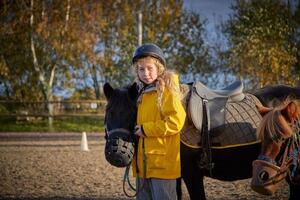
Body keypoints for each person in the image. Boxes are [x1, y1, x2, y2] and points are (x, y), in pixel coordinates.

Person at [131, 43, 186, 200]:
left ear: (159, 69)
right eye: (141, 69)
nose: (145, 73)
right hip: (143, 164)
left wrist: (146, 130)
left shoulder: (167, 90)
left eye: (150, 68)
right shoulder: (141, 93)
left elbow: (176, 122)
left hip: (162, 164)